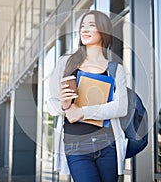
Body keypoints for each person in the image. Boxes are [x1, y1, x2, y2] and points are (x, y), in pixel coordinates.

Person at [47, 10, 128, 182]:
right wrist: (64, 105)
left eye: (91, 25)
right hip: (76, 145)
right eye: (82, 26)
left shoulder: (115, 69)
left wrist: (82, 112)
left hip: (107, 144)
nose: (84, 30)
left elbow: (121, 107)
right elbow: (50, 105)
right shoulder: (66, 63)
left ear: (104, 31)